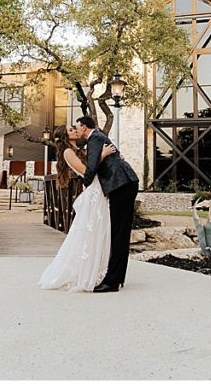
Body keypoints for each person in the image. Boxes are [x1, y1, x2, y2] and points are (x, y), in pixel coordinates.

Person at [37, 124, 117, 292]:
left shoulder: (79, 149)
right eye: (71, 129)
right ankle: (85, 274)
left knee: (99, 233)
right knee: (89, 234)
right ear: (65, 135)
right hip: (93, 194)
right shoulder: (68, 152)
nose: (75, 130)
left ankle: (98, 271)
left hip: (100, 191)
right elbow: (87, 171)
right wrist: (102, 154)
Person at [75, 115, 139, 293]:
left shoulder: (94, 138)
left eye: (78, 127)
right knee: (120, 232)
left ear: (85, 127)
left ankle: (112, 282)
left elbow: (92, 166)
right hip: (124, 184)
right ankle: (117, 278)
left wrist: (86, 184)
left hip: (122, 185)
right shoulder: (99, 137)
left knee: (119, 233)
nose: (77, 130)